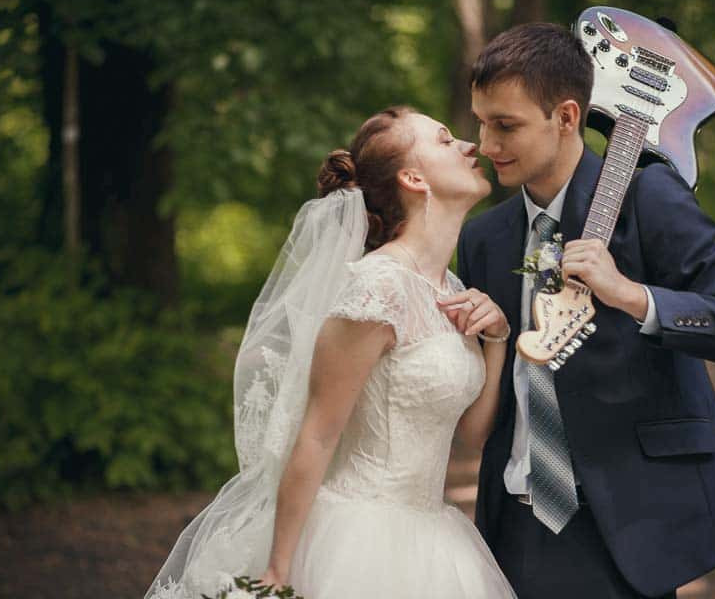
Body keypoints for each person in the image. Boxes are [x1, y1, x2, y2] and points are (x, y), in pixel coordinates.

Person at [145, 106, 518, 599]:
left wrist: (497, 341)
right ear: (413, 177)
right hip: (354, 540)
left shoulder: (452, 291)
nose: (470, 146)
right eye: (446, 140)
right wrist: (278, 573)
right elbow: (317, 435)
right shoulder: (377, 288)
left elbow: (471, 437)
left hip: (434, 540)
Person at [456, 23, 715, 599]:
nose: (487, 143)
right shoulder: (484, 239)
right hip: (513, 524)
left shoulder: (649, 198)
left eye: (506, 125)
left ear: (568, 117)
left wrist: (632, 295)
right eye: (481, 121)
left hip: (625, 522)